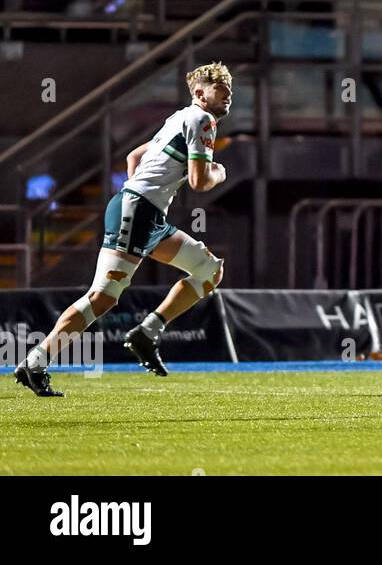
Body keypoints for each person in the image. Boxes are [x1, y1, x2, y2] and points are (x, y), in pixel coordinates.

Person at [14, 64, 233, 397]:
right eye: (221, 86)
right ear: (199, 93)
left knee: (209, 270)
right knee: (102, 297)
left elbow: (135, 155)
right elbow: (199, 181)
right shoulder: (203, 120)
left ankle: (147, 332)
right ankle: (34, 362)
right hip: (139, 211)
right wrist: (219, 171)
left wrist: (139, 193)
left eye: (230, 87)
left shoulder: (178, 118)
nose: (229, 93)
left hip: (147, 214)